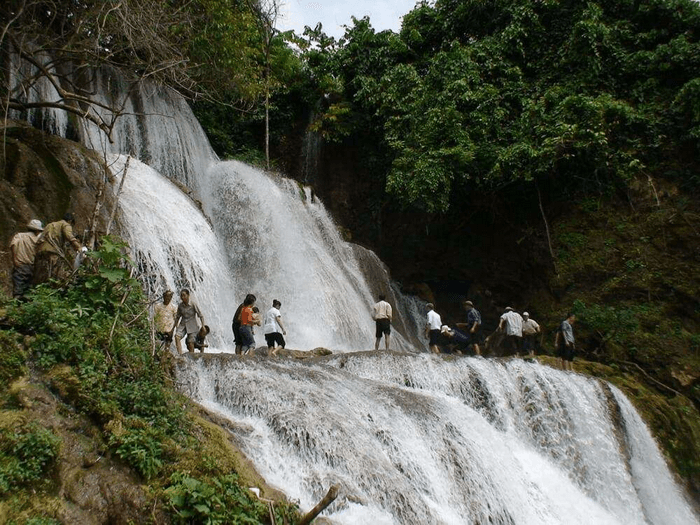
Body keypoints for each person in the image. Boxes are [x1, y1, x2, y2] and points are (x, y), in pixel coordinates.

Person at [33, 213, 85, 285]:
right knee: (54, 272)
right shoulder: (65, 225)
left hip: (41, 250)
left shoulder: (49, 225)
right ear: (70, 221)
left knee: (42, 272)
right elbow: (70, 237)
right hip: (53, 250)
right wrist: (79, 248)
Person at [9, 219, 44, 298]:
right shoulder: (38, 239)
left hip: (20, 266)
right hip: (32, 267)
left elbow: (13, 245)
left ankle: (15, 307)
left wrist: (15, 259)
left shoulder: (19, 236)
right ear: (37, 230)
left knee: (18, 290)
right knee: (29, 291)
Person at [170, 289, 205, 354]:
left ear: (188, 295)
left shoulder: (193, 304)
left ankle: (191, 357)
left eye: (184, 295)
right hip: (183, 324)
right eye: (181, 296)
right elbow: (177, 317)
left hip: (192, 325)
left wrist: (203, 325)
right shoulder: (180, 306)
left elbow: (200, 315)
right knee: (177, 336)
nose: (183, 297)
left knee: (190, 342)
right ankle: (180, 354)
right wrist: (173, 328)